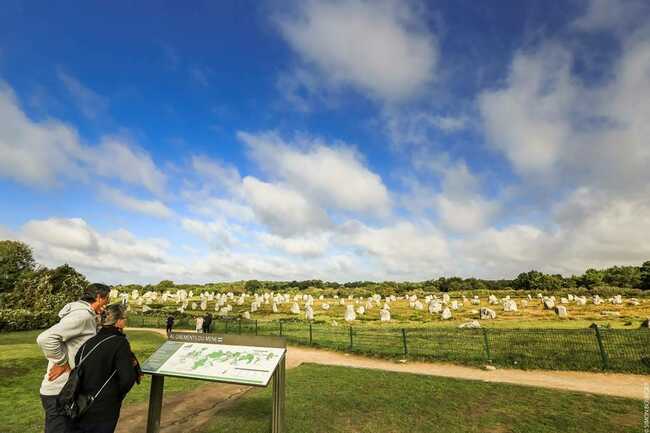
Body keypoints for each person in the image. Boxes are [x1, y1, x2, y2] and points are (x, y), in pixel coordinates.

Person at [37, 283, 111, 433]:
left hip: (69, 390)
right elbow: (45, 338)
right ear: (98, 297)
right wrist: (62, 362)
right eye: (106, 299)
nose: (107, 303)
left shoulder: (87, 315)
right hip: (59, 391)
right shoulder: (82, 315)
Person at [71, 303, 140, 433]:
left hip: (81, 403)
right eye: (124, 318)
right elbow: (127, 378)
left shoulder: (89, 342)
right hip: (104, 407)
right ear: (119, 321)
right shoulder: (119, 342)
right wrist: (115, 395)